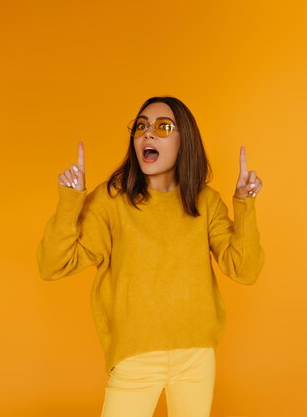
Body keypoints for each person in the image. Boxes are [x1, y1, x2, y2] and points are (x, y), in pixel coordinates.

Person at [37, 96, 264, 417]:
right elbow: (52, 265)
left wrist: (244, 204)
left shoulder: (205, 202)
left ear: (184, 141)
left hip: (196, 356)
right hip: (135, 356)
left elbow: (245, 270)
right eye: (141, 126)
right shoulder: (111, 201)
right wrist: (71, 201)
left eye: (163, 127)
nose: (148, 134)